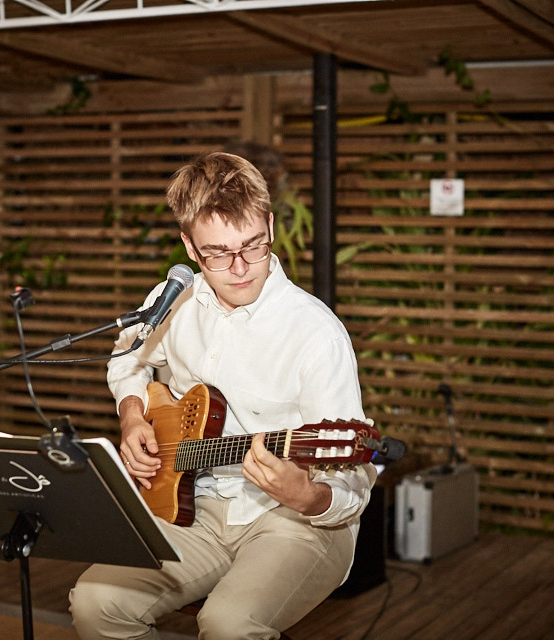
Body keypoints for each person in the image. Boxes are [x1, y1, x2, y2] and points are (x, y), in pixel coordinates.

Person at [69, 151, 376, 640]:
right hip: (194, 503)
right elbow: (126, 360)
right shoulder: (172, 301)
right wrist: (132, 415)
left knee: (229, 625)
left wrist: (311, 496)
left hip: (298, 522)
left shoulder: (316, 334)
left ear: (270, 226)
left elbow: (355, 477)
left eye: (253, 245)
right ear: (189, 247)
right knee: (95, 603)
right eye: (217, 253)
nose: (239, 268)